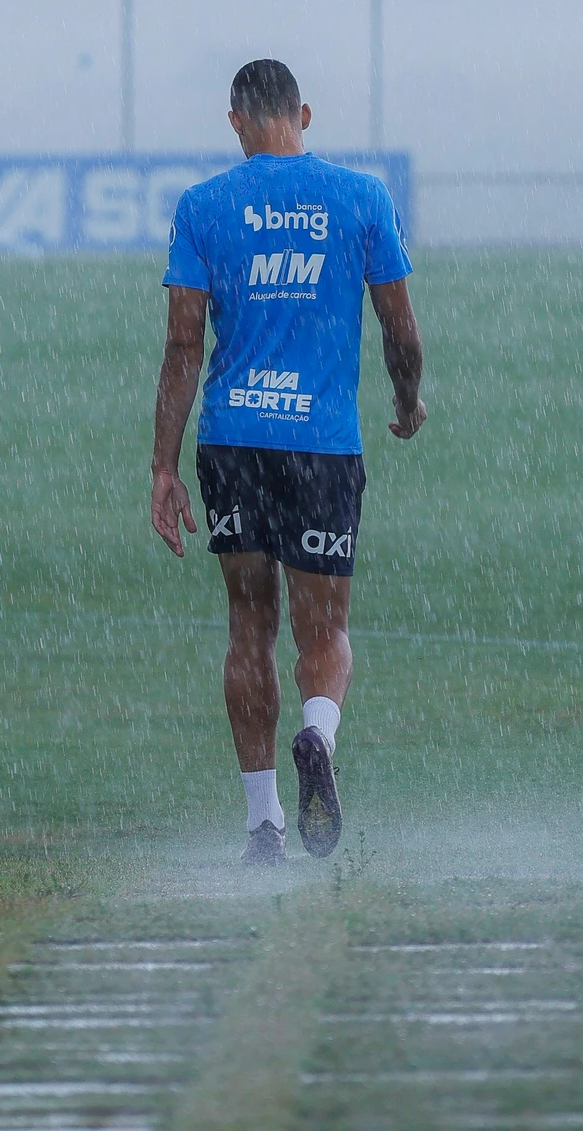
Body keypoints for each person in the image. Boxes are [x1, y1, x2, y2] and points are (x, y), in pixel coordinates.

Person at [150, 59, 425, 865]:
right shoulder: (361, 198)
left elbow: (181, 345)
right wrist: (407, 402)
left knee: (249, 629)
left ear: (235, 121)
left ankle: (263, 823)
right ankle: (317, 737)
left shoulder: (204, 206)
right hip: (321, 443)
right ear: (302, 113)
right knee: (325, 630)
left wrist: (163, 467)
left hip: (233, 440)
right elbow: (399, 328)